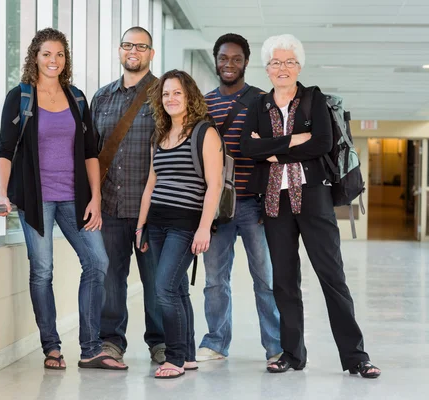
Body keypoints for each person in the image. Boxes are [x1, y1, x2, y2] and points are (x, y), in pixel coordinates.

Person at [240, 33, 381, 378]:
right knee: (284, 282)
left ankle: (355, 357)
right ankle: (292, 354)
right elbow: (247, 147)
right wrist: (292, 140)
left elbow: (321, 143)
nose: (282, 68)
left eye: (289, 61)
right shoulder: (258, 105)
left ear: (299, 66)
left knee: (332, 277)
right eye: (275, 62)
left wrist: (272, 149)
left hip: (314, 198)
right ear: (267, 68)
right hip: (275, 201)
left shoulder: (314, 99)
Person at [0, 28, 126, 371]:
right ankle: (51, 347)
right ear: (34, 58)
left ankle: (90, 347)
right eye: (46, 54)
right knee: (42, 271)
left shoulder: (76, 98)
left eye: (59, 55)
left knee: (97, 262)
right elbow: (5, 151)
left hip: (74, 197)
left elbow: (90, 153)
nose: (53, 61)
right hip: (35, 199)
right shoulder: (20, 96)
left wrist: (95, 198)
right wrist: (2, 193)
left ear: (65, 60)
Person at [197, 33, 282, 366]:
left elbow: (278, 155)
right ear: (215, 60)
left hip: (253, 205)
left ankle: (276, 347)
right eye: (223, 58)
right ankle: (216, 342)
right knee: (215, 280)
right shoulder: (202, 104)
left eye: (235, 58)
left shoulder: (263, 101)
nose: (228, 64)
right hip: (216, 208)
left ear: (246, 62)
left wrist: (270, 204)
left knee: (265, 279)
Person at [136, 69, 223, 378]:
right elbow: (151, 184)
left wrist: (204, 228)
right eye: (166, 93)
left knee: (164, 288)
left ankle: (173, 358)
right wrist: (141, 226)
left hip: (185, 224)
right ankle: (186, 355)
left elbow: (214, 185)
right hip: (156, 223)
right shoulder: (159, 135)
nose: (170, 98)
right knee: (178, 289)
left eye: (177, 93)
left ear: (189, 97)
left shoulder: (204, 132)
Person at [92, 26, 165, 364]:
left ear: (151, 53)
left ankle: (161, 342)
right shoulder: (101, 97)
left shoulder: (165, 95)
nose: (132, 51)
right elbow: (90, 153)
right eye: (126, 45)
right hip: (108, 207)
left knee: (156, 282)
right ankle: (111, 342)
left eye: (141, 46)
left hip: (152, 210)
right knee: (110, 282)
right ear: (119, 51)